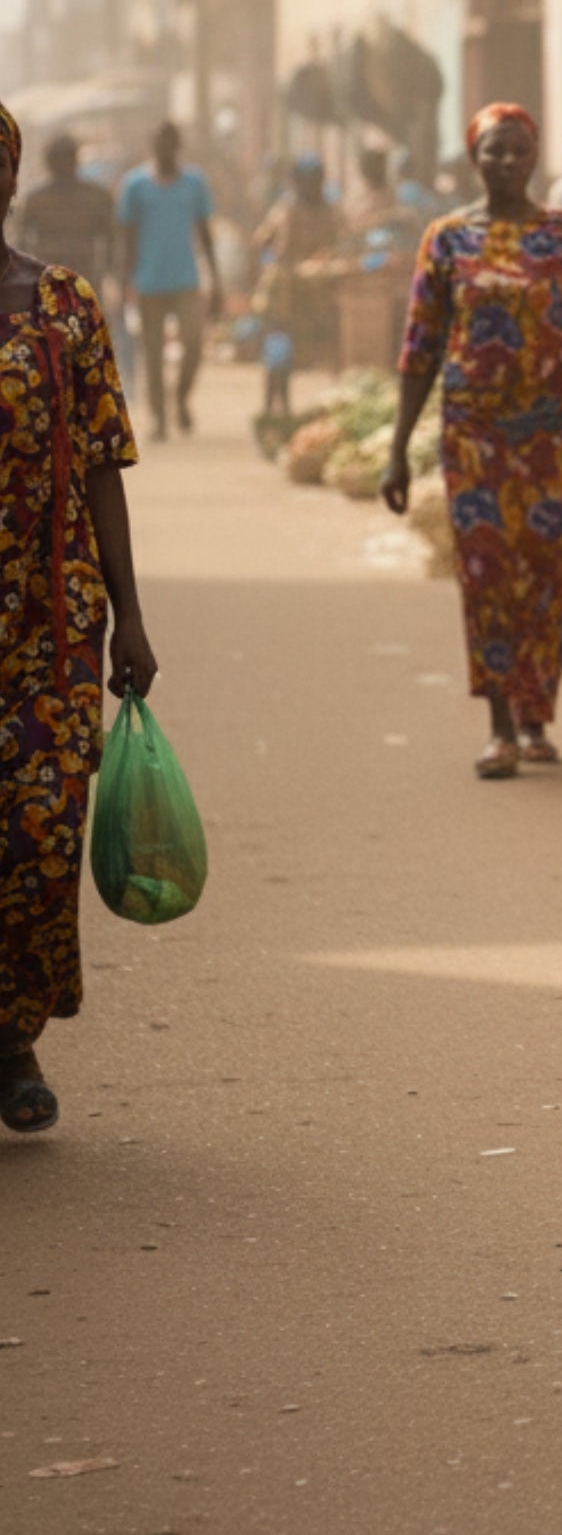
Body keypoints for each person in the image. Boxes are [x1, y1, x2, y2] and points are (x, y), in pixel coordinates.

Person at [380, 103, 562, 778]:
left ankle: (535, 715)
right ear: (474, 155)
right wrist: (397, 449)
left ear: (535, 157)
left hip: (553, 432)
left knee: (544, 569)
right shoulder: (445, 240)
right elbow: (419, 349)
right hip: (473, 433)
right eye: (492, 150)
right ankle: (499, 722)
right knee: (486, 570)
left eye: (517, 150)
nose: (504, 162)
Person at [0, 101, 158, 1134]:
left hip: (54, 618)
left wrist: (131, 621)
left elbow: (103, 465)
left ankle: (12, 1034)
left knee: (39, 832)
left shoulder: (63, 305)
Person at [116, 120, 222, 440]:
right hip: (148, 281)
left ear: (178, 147)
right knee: (153, 352)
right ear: (151, 147)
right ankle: (159, 418)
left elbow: (205, 234)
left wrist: (216, 280)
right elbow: (127, 236)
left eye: (169, 144)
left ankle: (181, 398)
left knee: (194, 344)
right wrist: (125, 281)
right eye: (158, 144)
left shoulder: (194, 183)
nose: (164, 150)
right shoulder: (135, 185)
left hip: (187, 279)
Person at [19, 133, 125, 397]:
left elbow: (112, 240)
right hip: (52, 280)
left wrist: (113, 274)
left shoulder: (95, 197)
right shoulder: (37, 199)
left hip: (83, 277)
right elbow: (20, 243)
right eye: (59, 160)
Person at [252, 156, 343, 419]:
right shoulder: (287, 210)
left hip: (316, 290)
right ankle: (275, 406)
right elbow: (264, 240)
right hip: (283, 290)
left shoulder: (327, 212)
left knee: (315, 347)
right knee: (279, 348)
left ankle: (310, 410)